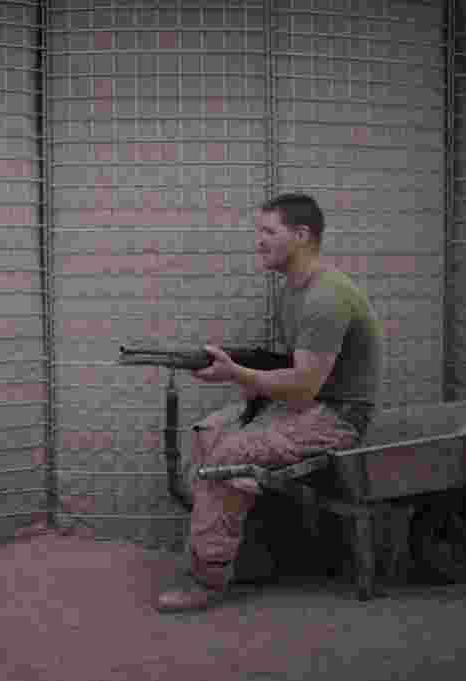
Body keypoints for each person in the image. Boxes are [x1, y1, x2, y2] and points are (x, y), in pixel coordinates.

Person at [156, 193, 384, 612]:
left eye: (268, 232)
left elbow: (302, 387)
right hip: (308, 404)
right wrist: (249, 382)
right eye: (257, 231)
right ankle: (250, 554)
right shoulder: (292, 292)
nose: (257, 241)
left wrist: (237, 373)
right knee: (209, 433)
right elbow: (289, 374)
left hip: (337, 414)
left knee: (227, 459)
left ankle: (207, 579)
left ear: (301, 235)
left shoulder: (325, 297)